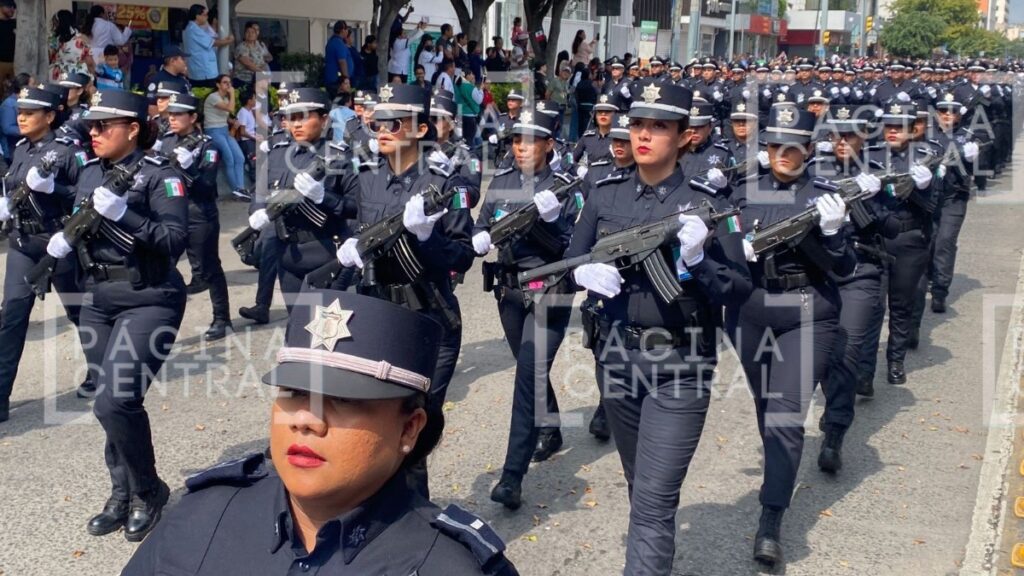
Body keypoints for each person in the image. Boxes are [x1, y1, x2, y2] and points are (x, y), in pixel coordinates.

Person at [123, 289, 518, 575]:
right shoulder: (201, 516)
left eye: (345, 399)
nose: (306, 419)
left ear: (409, 428)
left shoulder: (451, 566)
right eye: (294, 392)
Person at [565, 79, 751, 575]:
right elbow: (571, 256)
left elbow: (739, 289)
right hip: (617, 361)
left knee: (651, 502)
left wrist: (699, 259)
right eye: (639, 123)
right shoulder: (603, 194)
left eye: (659, 126)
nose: (644, 134)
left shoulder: (710, 199)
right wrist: (582, 271)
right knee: (640, 486)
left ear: (685, 135)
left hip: (681, 366)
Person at [45, 90, 187, 541]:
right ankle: (120, 493)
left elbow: (172, 241)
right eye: (91, 125)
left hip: (150, 296)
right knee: (111, 403)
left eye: (105, 125)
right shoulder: (89, 174)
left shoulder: (162, 175)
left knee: (115, 400)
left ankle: (149, 490)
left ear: (132, 129)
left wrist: (126, 215)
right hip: (98, 297)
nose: (94, 132)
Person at [729, 103, 853, 568]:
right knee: (767, 411)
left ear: (808, 148)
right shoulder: (741, 191)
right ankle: (779, 474)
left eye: (793, 145)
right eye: (775, 144)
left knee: (785, 413)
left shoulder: (825, 195)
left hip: (808, 312)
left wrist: (834, 233)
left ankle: (771, 518)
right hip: (752, 311)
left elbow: (845, 268)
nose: (783, 152)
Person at [334, 84, 474, 492]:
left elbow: (464, 255)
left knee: (412, 433)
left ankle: (416, 528)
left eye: (394, 123)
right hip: (378, 317)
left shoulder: (446, 182)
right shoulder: (366, 178)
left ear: (421, 128)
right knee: (375, 427)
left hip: (429, 319)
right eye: (378, 122)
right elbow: (340, 219)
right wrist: (348, 251)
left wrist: (428, 237)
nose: (382, 130)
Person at [473, 108, 582, 509]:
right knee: (527, 367)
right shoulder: (501, 181)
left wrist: (554, 222)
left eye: (530, 141)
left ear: (549, 144)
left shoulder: (567, 187)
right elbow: (481, 222)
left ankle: (512, 476)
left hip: (549, 291)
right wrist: (480, 237)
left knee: (529, 378)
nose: (520, 147)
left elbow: (578, 246)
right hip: (510, 293)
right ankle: (550, 427)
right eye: (516, 140)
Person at [0, 87, 90, 422]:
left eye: (31, 112)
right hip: (24, 243)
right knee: (12, 316)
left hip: (59, 242)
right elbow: (12, 184)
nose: (21, 117)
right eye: (20, 111)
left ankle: (99, 373)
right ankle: (1, 395)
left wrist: (56, 189)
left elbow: (86, 197)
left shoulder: (70, 152)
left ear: (50, 116)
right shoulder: (21, 148)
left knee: (81, 313)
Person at [248, 87, 351, 313]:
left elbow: (355, 208)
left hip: (325, 251)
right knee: (296, 322)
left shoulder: (339, 157)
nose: (296, 124)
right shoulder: (278, 153)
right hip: (288, 253)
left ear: (324, 119)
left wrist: (325, 198)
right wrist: (257, 210)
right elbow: (260, 189)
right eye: (291, 118)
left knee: (324, 329)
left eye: (303, 117)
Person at [157, 92, 232, 340]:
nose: (173, 119)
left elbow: (208, 187)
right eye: (171, 114)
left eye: (178, 114)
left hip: (199, 214)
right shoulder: (166, 141)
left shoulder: (207, 146)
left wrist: (188, 168)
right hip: (171, 215)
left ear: (193, 117)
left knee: (209, 268)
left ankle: (222, 318)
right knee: (162, 266)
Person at [927, 92, 979, 316]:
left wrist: (972, 156)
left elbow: (975, 167)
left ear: (959, 115)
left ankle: (940, 291)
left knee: (945, 242)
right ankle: (928, 277)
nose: (947, 115)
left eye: (952, 112)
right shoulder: (925, 135)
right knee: (928, 242)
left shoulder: (967, 136)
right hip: (928, 199)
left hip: (953, 197)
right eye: (943, 111)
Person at [203, 74, 248, 199]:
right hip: (213, 130)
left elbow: (224, 115)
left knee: (240, 158)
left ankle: (241, 188)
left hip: (224, 130)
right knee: (229, 158)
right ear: (218, 85)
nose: (228, 85)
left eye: (229, 82)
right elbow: (230, 109)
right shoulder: (213, 97)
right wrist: (233, 94)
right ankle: (236, 189)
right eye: (225, 82)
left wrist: (231, 122)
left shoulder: (225, 99)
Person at [183, 4, 233, 89]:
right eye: (205, 15)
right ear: (197, 16)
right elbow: (213, 43)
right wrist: (229, 41)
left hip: (202, 71)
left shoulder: (195, 28)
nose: (207, 17)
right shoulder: (193, 29)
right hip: (203, 72)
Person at [49, 9, 94, 82]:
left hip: (56, 77)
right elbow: (90, 62)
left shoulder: (53, 39)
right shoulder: (82, 39)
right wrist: (93, 75)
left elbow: (49, 58)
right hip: (77, 77)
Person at [84, 5, 131, 73]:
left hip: (90, 56)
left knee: (92, 78)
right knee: (106, 78)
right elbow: (121, 41)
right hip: (105, 56)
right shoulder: (109, 25)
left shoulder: (88, 25)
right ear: (101, 14)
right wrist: (127, 30)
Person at [1, 73, 32, 159]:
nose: (35, 87)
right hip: (12, 150)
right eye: (32, 84)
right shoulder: (9, 104)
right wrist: (29, 130)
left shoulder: (23, 101)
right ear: (24, 87)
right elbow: (7, 128)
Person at [233, 21, 272, 88]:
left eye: (252, 32)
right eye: (248, 32)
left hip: (256, 79)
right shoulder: (242, 47)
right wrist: (262, 72)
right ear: (244, 34)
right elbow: (248, 64)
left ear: (256, 35)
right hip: (243, 79)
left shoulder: (258, 45)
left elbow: (264, 59)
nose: (250, 34)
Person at [324, 20, 355, 97]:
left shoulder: (331, 42)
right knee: (341, 101)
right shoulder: (338, 43)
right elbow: (342, 62)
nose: (347, 31)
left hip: (332, 80)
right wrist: (346, 79)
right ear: (342, 30)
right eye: (346, 29)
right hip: (338, 81)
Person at [454, 71, 483, 146]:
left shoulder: (457, 86)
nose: (473, 75)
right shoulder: (470, 87)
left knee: (463, 139)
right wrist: (481, 90)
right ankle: (473, 155)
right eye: (471, 74)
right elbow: (479, 100)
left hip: (459, 115)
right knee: (470, 140)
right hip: (470, 116)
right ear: (467, 76)